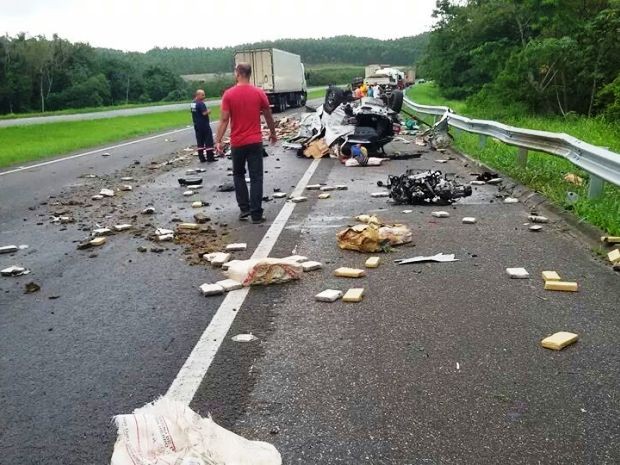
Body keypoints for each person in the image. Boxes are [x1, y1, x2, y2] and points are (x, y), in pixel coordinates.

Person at [215, 63, 277, 224]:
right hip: (255, 141)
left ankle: (244, 210)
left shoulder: (228, 94)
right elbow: (268, 115)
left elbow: (224, 120)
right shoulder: (259, 93)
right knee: (256, 177)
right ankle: (256, 214)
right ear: (249, 74)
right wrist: (273, 132)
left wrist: (218, 141)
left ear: (238, 73)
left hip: (238, 143)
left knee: (238, 175)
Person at [190, 89, 216, 163]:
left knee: (200, 141)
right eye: (203, 95)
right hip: (204, 124)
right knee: (208, 140)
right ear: (198, 95)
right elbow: (204, 113)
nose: (204, 96)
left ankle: (201, 158)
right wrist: (209, 111)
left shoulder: (192, 103)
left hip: (196, 125)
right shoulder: (201, 103)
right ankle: (210, 157)